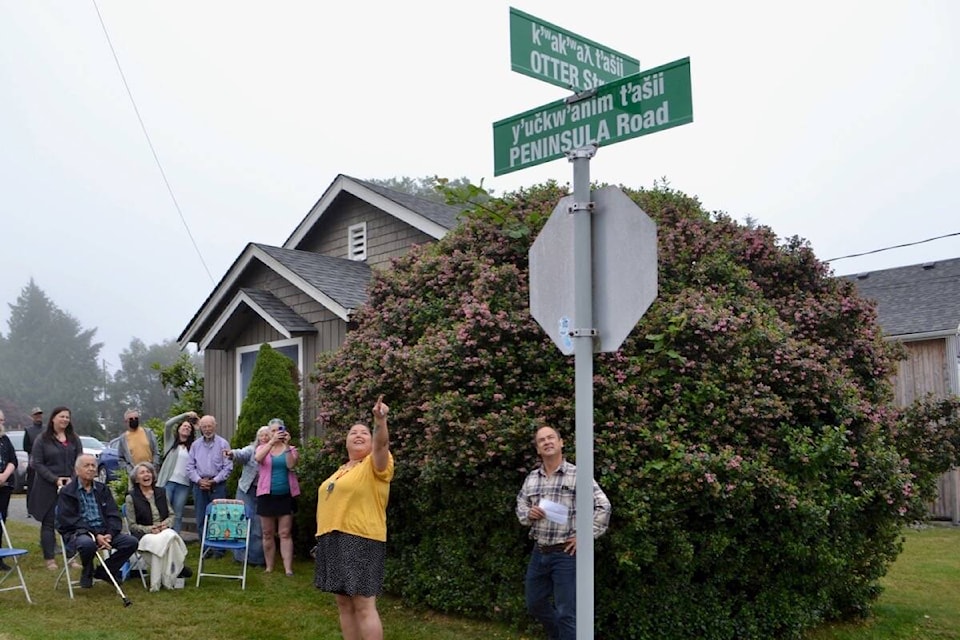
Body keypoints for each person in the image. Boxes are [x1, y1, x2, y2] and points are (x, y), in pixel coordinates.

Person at [515, 426, 612, 640]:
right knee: (535, 603)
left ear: (561, 443)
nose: (547, 442)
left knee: (567, 613)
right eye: (542, 440)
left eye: (551, 438)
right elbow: (521, 506)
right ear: (538, 449)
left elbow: (603, 506)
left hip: (566, 554)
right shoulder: (532, 478)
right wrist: (529, 514)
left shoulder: (578, 475)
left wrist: (585, 537)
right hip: (539, 552)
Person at [315, 395, 394, 640]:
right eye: (353, 433)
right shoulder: (340, 471)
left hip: (361, 539)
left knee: (363, 605)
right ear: (346, 442)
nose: (358, 435)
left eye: (364, 433)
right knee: (344, 604)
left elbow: (382, 446)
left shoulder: (375, 464)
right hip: (332, 539)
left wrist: (380, 421)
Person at [57, 454, 138, 589]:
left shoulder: (102, 489)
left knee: (131, 542)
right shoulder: (67, 492)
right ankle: (87, 570)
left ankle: (104, 570)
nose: (91, 469)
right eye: (86, 466)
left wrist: (110, 534)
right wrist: (95, 535)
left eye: (93, 465)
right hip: (79, 532)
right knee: (87, 544)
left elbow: (113, 514)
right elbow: (69, 519)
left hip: (104, 531)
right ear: (77, 470)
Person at [29, 406, 82, 570]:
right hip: (47, 487)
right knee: (49, 523)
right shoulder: (42, 439)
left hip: (70, 487)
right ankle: (50, 559)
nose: (65, 420)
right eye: (61, 416)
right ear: (53, 419)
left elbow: (79, 460)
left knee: (70, 524)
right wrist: (55, 479)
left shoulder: (74, 439)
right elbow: (36, 463)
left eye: (67, 417)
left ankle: (71, 558)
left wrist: (73, 479)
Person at [124, 461, 189, 590]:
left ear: (153, 476)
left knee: (170, 535)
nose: (146, 475)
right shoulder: (131, 497)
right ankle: (177, 570)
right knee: (170, 539)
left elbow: (171, 514)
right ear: (136, 479)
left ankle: (161, 580)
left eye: (148, 472)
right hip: (145, 535)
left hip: (163, 531)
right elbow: (132, 525)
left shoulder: (161, 492)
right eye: (142, 473)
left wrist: (164, 525)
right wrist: (150, 529)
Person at [255, 419, 300, 575]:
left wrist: (286, 445)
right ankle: (269, 567)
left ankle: (288, 569)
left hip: (285, 495)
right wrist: (271, 443)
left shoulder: (291, 449)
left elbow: (291, 465)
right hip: (266, 495)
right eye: (272, 431)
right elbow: (258, 458)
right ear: (268, 433)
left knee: (285, 533)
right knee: (267, 533)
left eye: (278, 430)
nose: (276, 433)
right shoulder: (262, 448)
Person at [186, 415, 232, 555]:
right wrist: (199, 480)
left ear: (215, 426)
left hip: (218, 485)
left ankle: (219, 549)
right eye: (204, 427)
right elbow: (189, 467)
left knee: (219, 517)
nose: (207, 429)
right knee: (201, 517)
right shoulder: (195, 445)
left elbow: (228, 467)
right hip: (199, 484)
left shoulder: (223, 444)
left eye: (209, 426)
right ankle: (205, 549)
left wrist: (214, 481)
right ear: (200, 428)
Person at [224, 425, 270, 566]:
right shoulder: (251, 450)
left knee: (258, 526)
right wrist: (231, 454)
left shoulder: (272, 453)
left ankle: (255, 559)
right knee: (241, 522)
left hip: (263, 492)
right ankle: (240, 557)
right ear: (257, 438)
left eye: (267, 435)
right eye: (261, 435)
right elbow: (241, 453)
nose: (264, 438)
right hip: (246, 490)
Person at [156, 412, 198, 533]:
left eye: (189, 427)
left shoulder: (194, 447)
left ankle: (176, 540)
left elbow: (201, 439)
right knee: (164, 512)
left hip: (183, 485)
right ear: (178, 429)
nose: (186, 428)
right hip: (168, 482)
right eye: (184, 426)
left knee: (178, 514)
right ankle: (163, 539)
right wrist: (185, 415)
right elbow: (168, 425)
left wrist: (197, 425)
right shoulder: (170, 443)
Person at [117, 408, 160, 475]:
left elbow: (156, 451)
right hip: (135, 474)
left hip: (151, 472)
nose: (134, 420)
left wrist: (154, 466)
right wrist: (130, 471)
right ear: (126, 421)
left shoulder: (148, 433)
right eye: (131, 419)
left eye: (136, 418)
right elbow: (121, 458)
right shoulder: (123, 439)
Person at [0, 411, 16, 571]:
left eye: (2, 420)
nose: (1, 423)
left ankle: (0, 558)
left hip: (4, 487)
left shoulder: (5, 440)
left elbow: (13, 460)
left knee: (1, 521)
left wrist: (4, 475)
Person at [22, 407, 44, 515]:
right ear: (32, 417)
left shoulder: (47, 429)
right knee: (32, 486)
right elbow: (25, 447)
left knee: (44, 486)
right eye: (36, 415)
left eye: (40, 414)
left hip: (46, 462)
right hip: (33, 462)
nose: (38, 417)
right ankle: (30, 509)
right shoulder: (28, 430)